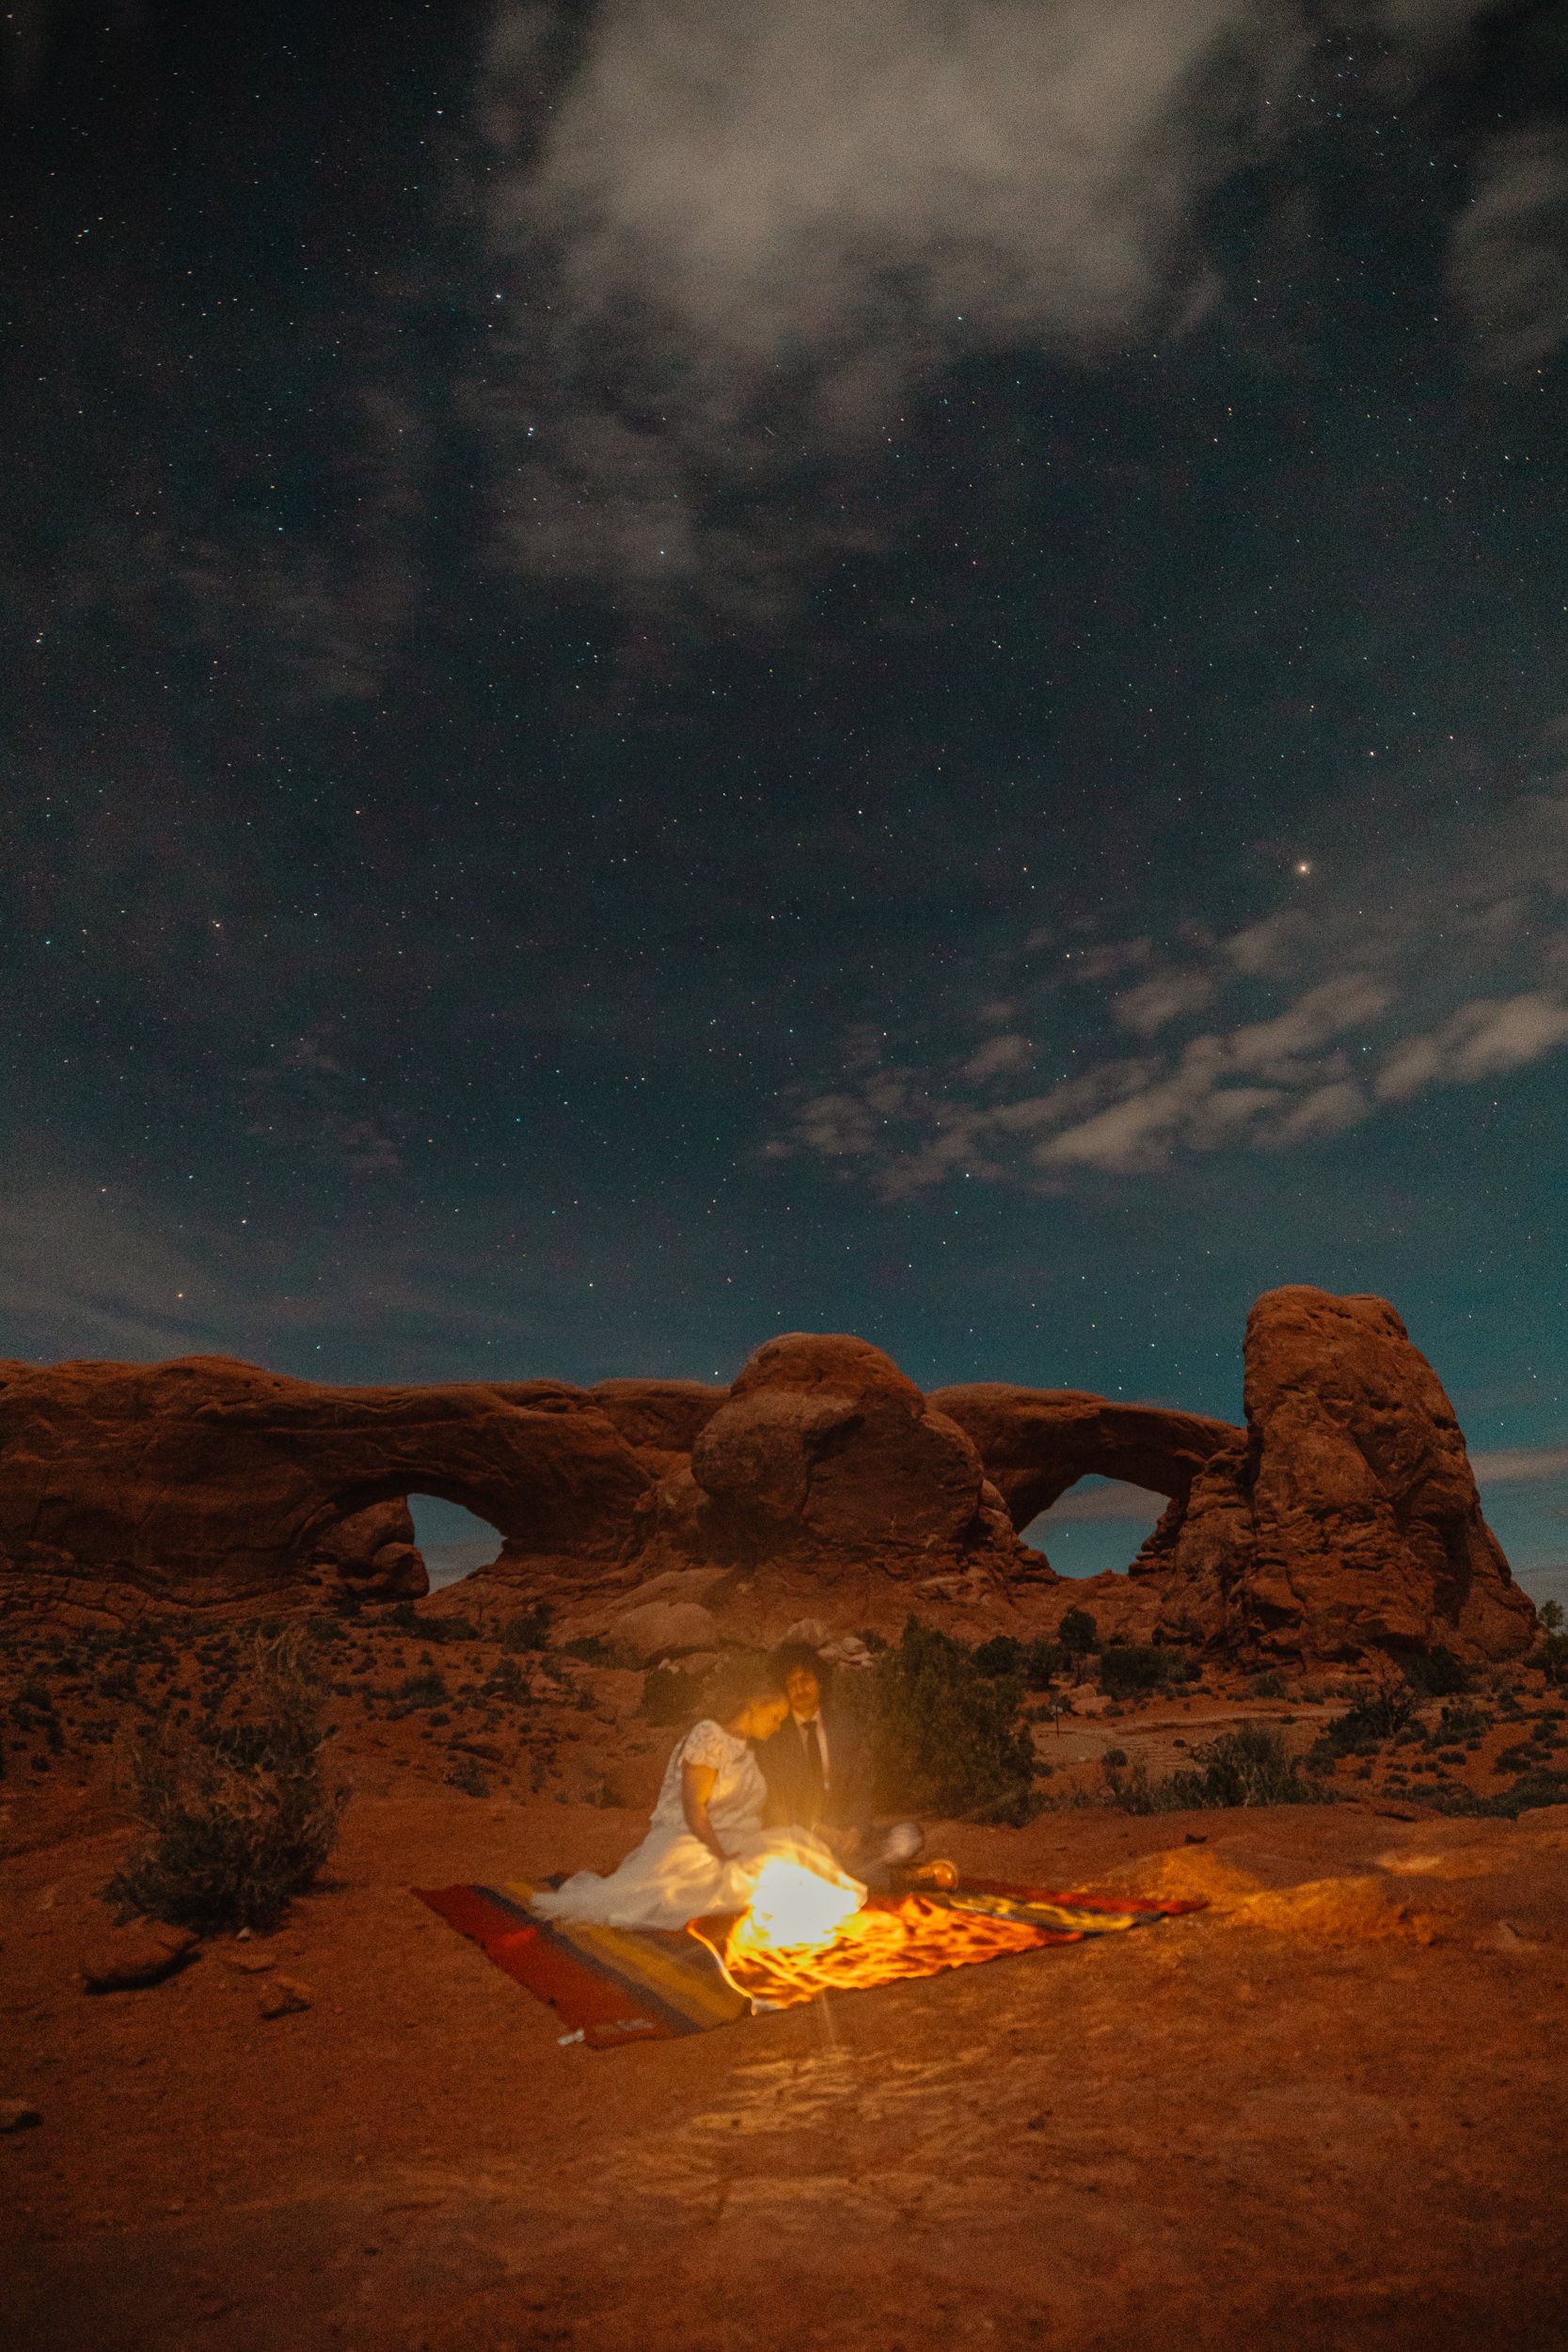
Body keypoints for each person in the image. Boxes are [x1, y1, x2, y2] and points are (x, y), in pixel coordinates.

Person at [530, 1655, 864, 1931]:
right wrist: (721, 1854)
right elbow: (695, 1809)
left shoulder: (750, 1751)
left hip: (742, 1840)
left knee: (803, 1871)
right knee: (722, 1890)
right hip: (697, 1842)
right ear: (752, 1708)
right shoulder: (708, 1736)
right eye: (775, 1717)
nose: (779, 1725)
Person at [757, 1641, 924, 1887]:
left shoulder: (844, 1727)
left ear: (819, 1680)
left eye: (805, 1680)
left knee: (908, 1838)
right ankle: (883, 1878)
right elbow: (776, 1806)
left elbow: (861, 1790)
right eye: (791, 1685)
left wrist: (855, 1831)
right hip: (801, 1839)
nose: (800, 1689)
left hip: (848, 1835)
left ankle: (848, 1872)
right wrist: (819, 1830)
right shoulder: (776, 1737)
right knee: (786, 1863)